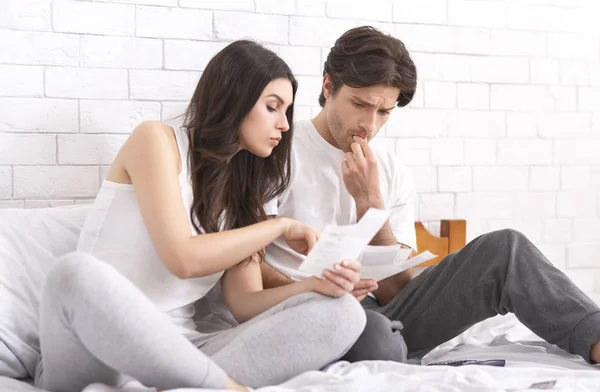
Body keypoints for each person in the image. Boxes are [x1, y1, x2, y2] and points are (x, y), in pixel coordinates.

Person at [34, 40, 368, 392]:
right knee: (73, 274)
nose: (285, 125)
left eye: (286, 111)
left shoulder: (242, 196)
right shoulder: (156, 141)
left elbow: (245, 304)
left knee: (345, 312)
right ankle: (220, 388)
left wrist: (315, 286)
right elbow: (182, 258)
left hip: (188, 350)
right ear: (233, 97)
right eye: (273, 107)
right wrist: (278, 227)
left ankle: (185, 385)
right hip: (98, 349)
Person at [260, 26, 600, 365]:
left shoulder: (392, 172)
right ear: (328, 86)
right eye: (359, 104)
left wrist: (371, 206)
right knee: (378, 334)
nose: (370, 124)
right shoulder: (276, 150)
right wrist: (315, 291)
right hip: (300, 311)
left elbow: (396, 292)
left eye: (384, 112)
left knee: (505, 250)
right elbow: (247, 262)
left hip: (376, 313)